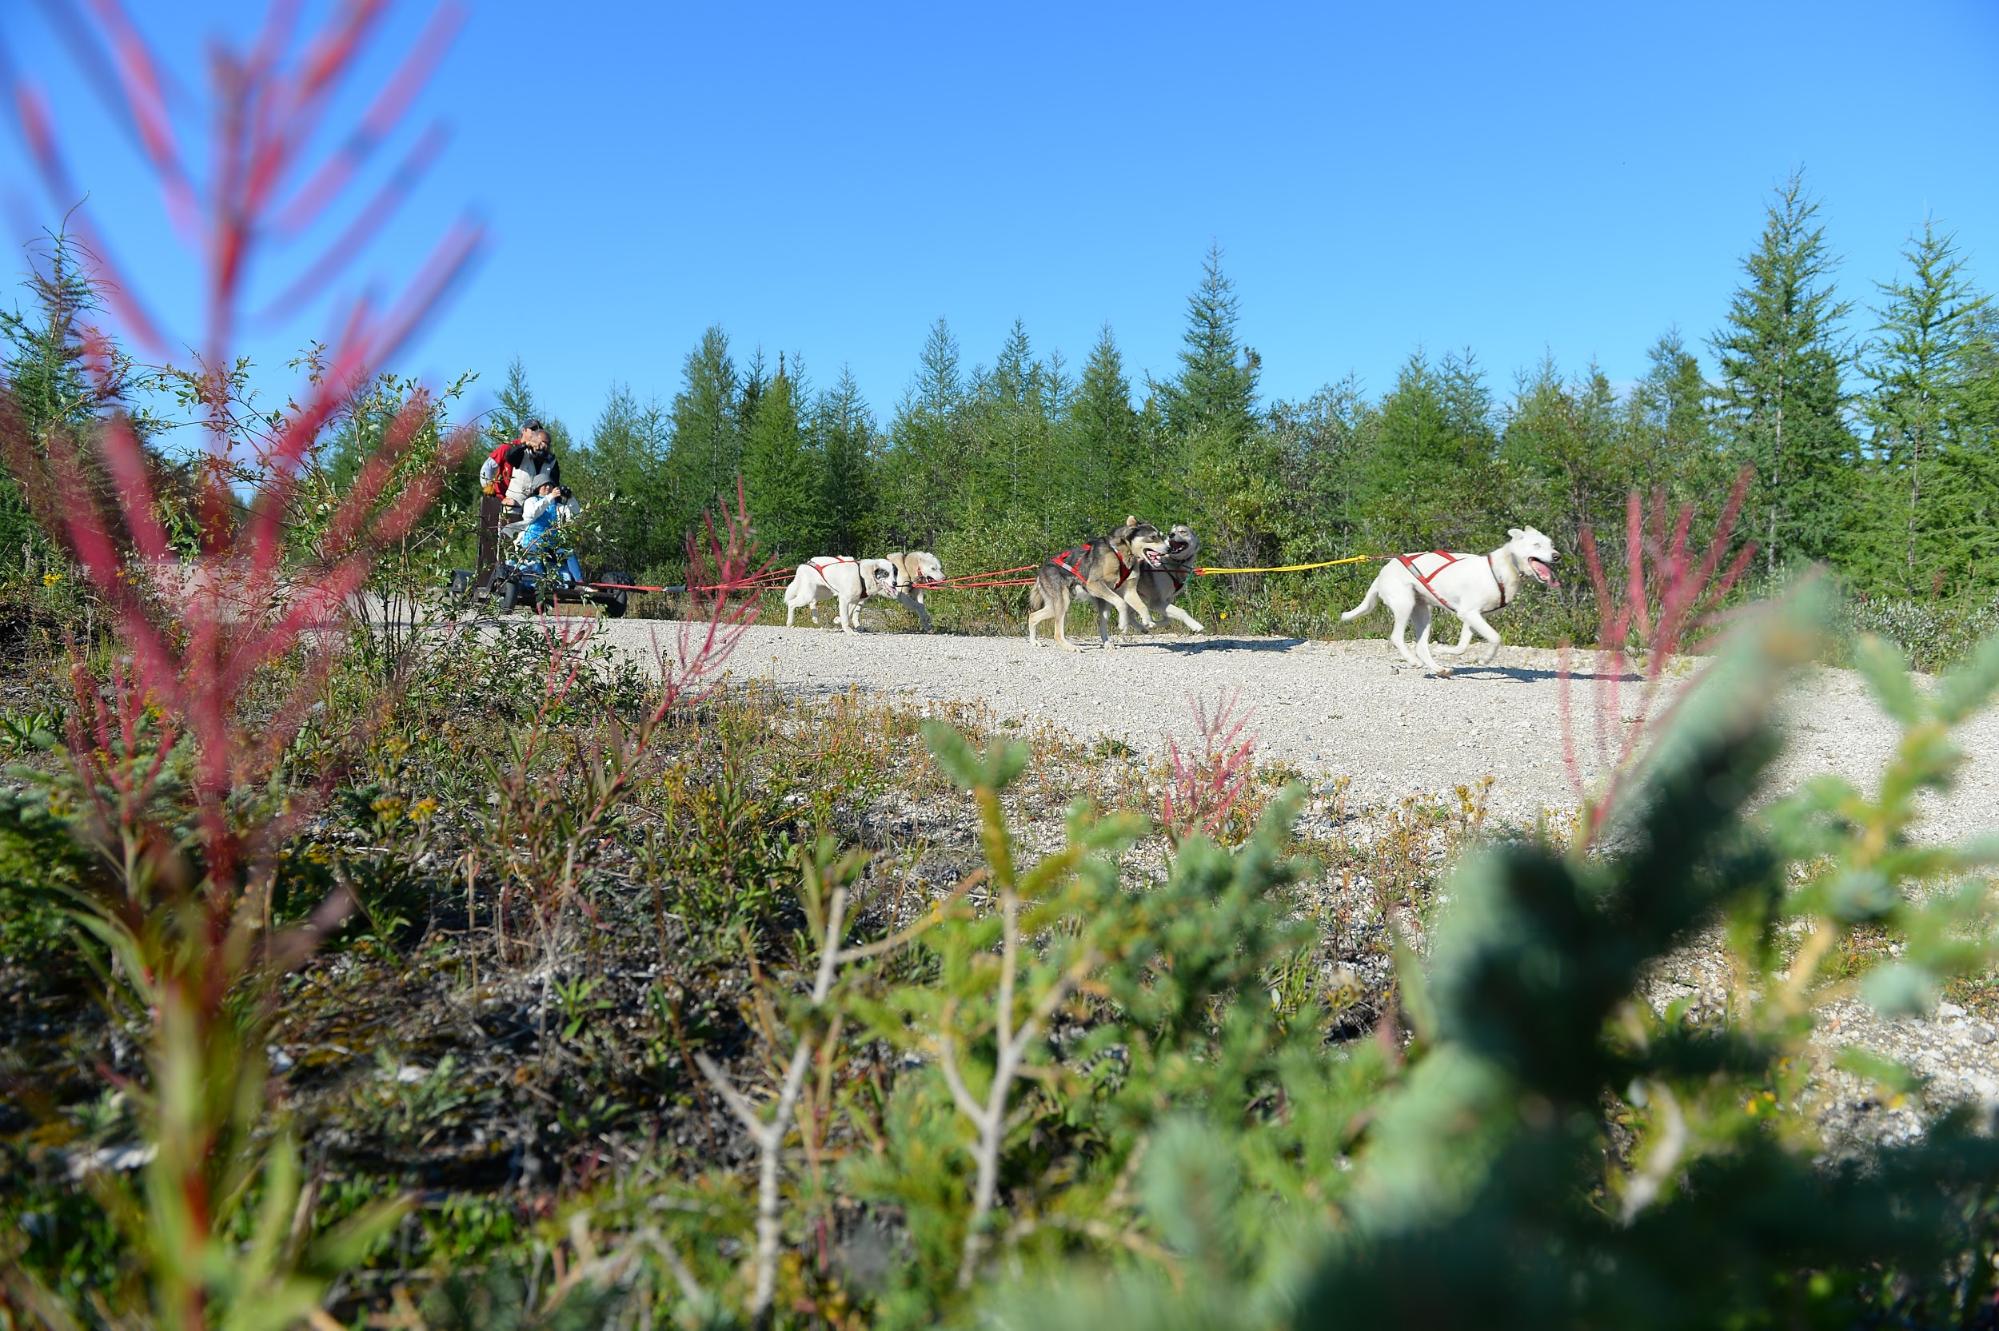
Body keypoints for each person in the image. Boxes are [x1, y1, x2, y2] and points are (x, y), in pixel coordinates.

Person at [475, 420, 560, 593]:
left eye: (545, 443)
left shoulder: (551, 461)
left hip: (535, 507)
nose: (542, 445)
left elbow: (555, 483)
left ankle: (533, 580)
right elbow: (503, 459)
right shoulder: (516, 450)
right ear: (525, 431)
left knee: (534, 543)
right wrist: (491, 491)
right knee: (507, 540)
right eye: (534, 431)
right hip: (514, 503)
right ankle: (503, 578)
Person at [516, 482, 583, 586]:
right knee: (538, 554)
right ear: (538, 487)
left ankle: (580, 583)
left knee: (568, 551)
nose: (547, 487)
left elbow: (576, 514)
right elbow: (531, 514)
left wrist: (570, 498)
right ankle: (541, 584)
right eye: (544, 485)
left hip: (553, 540)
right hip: (533, 539)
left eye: (550, 485)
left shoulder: (557, 505)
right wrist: (549, 497)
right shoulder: (531, 500)